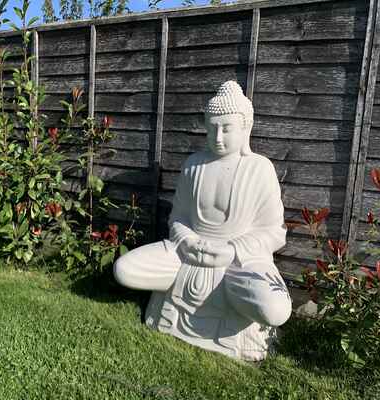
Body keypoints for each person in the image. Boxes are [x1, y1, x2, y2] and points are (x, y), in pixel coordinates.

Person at [113, 81, 292, 361]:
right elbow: (178, 218)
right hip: (188, 252)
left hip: (239, 263)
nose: (218, 137)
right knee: (124, 269)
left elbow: (274, 232)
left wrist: (232, 250)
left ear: (245, 127)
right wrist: (187, 241)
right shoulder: (193, 165)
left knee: (275, 309)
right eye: (212, 128)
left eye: (227, 128)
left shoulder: (259, 168)